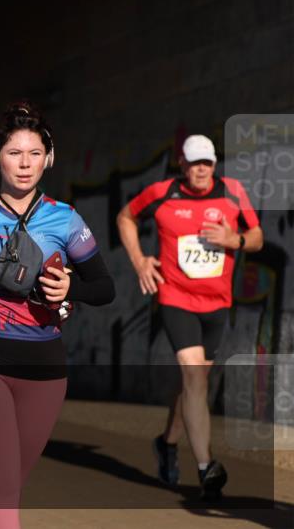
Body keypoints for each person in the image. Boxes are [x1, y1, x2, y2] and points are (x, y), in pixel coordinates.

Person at [0, 102, 115, 529]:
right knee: (6, 482)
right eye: (14, 153)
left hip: (44, 366)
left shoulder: (65, 219)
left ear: (48, 158)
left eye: (34, 153)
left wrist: (72, 288)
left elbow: (105, 288)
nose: (24, 164)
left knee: (5, 486)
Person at [117, 133, 262, 500]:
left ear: (214, 164)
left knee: (195, 386)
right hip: (176, 298)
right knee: (195, 377)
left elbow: (257, 235)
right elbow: (125, 217)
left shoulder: (232, 193)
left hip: (217, 303)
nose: (201, 169)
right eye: (194, 162)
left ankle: (167, 443)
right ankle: (206, 468)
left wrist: (236, 241)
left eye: (207, 163)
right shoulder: (163, 192)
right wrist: (139, 261)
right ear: (182, 164)